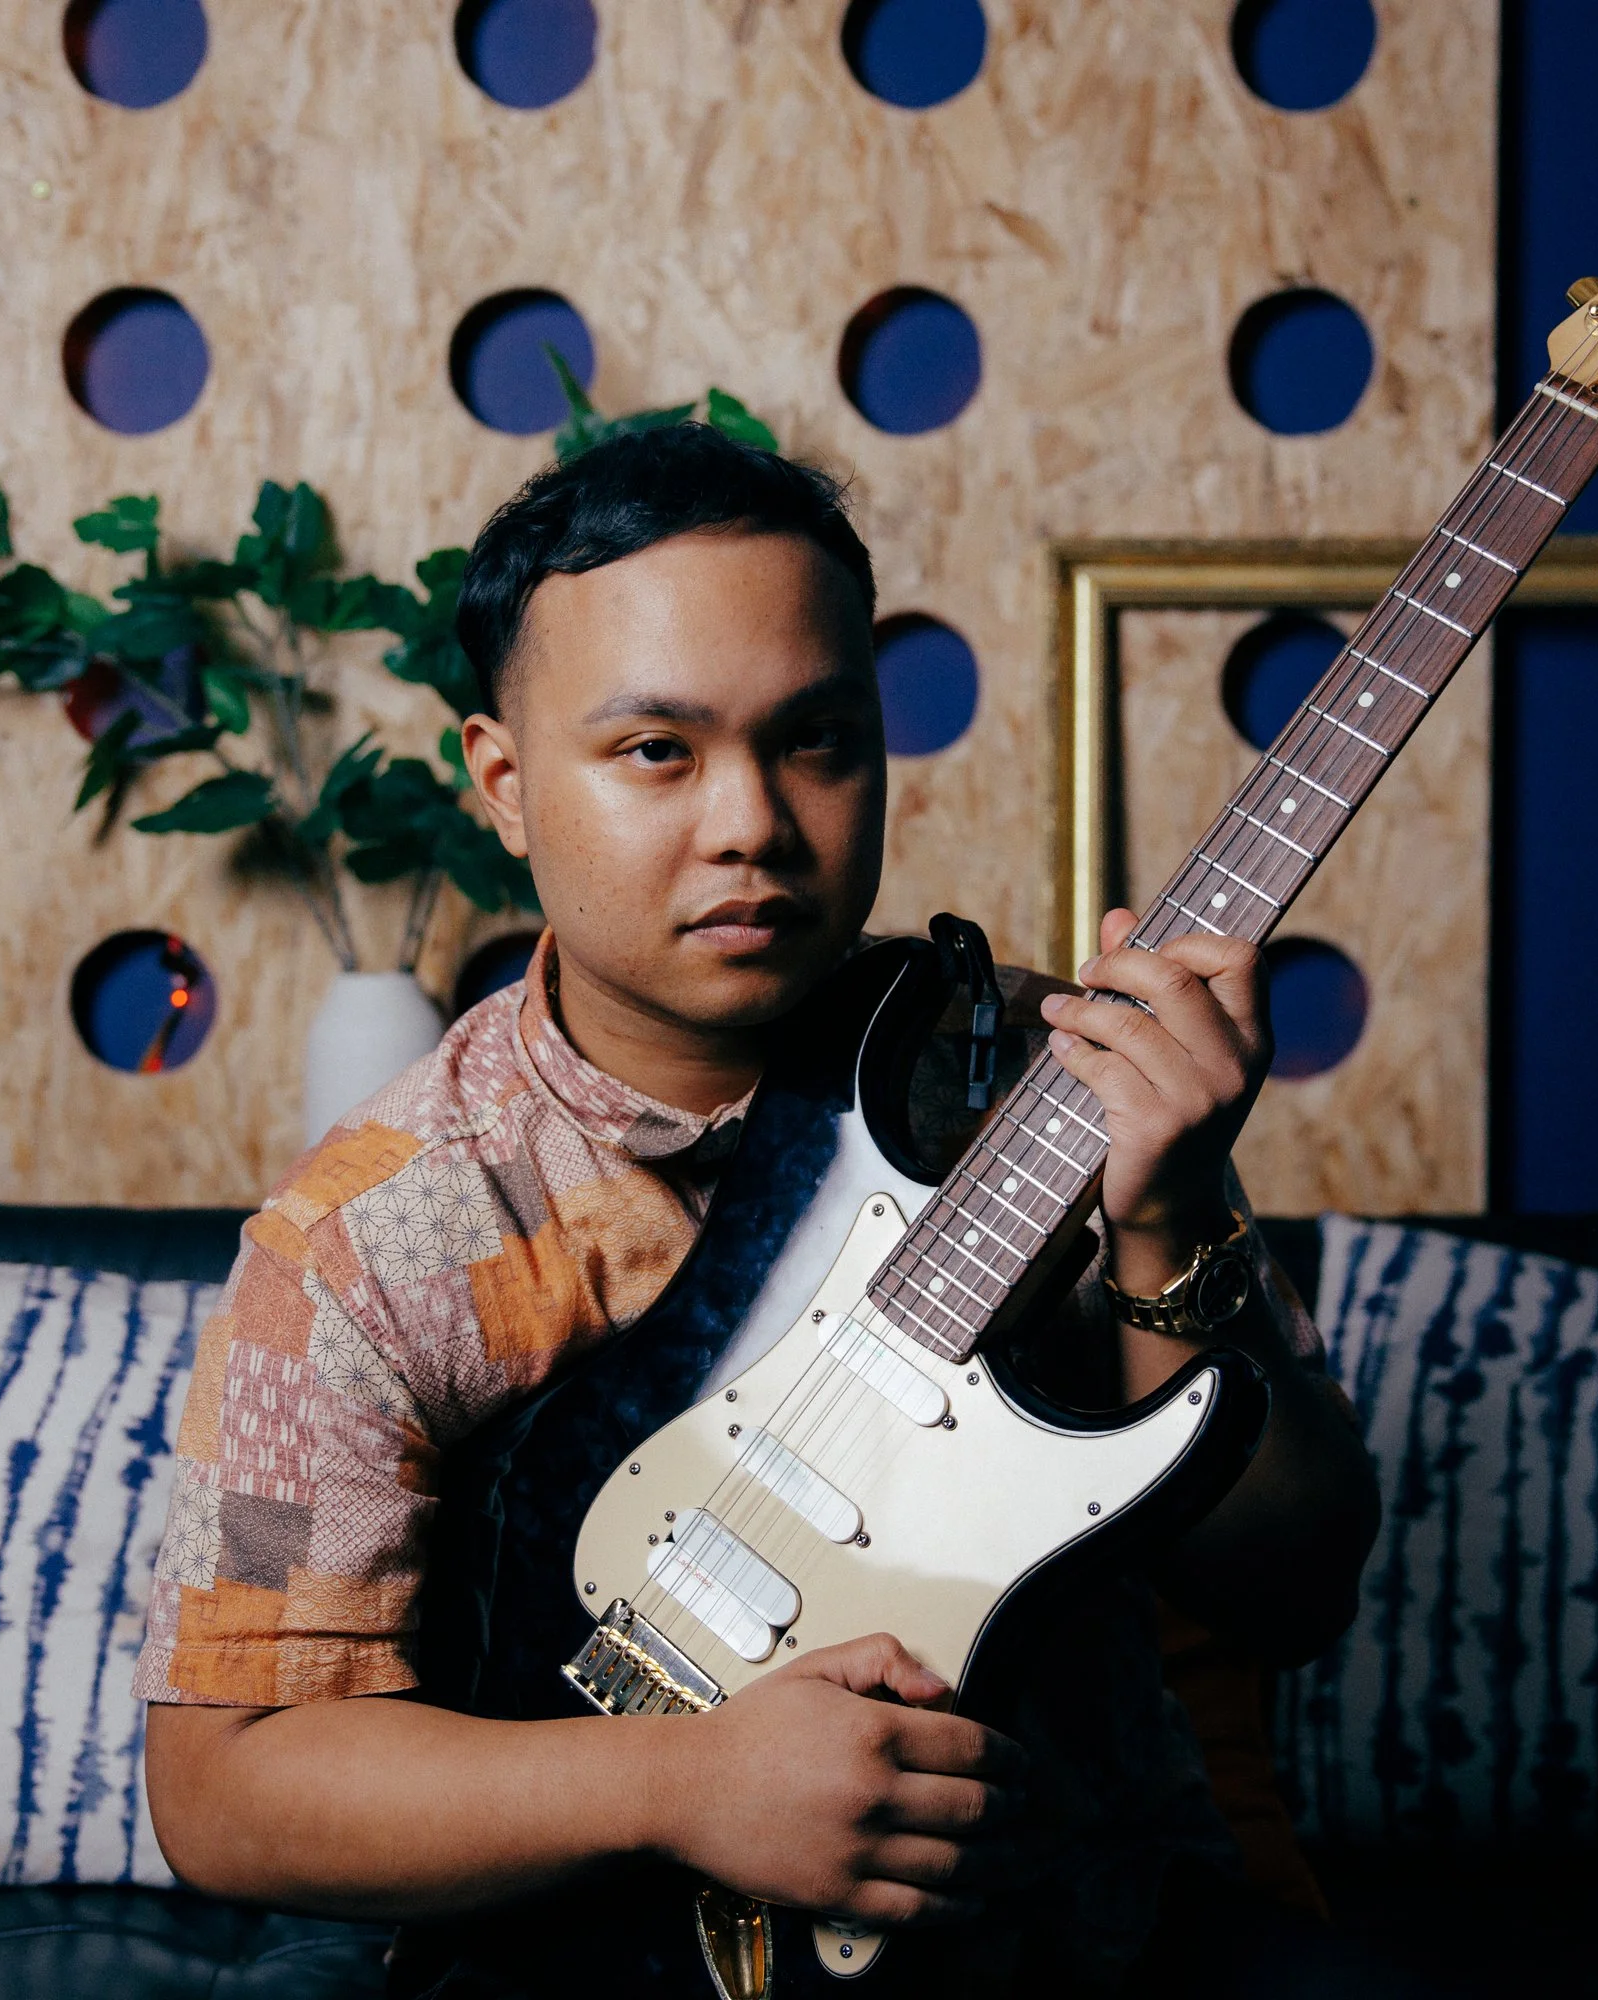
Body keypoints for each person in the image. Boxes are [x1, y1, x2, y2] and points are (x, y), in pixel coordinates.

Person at [136, 424, 1382, 1996]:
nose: (752, 825)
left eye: (817, 741)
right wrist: (681, 1784)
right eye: (658, 751)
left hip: (1087, 1932)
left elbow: (1292, 1591)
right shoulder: (374, 1236)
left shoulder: (1057, 1076)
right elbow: (225, 1786)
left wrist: (1170, 1212)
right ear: (505, 785)